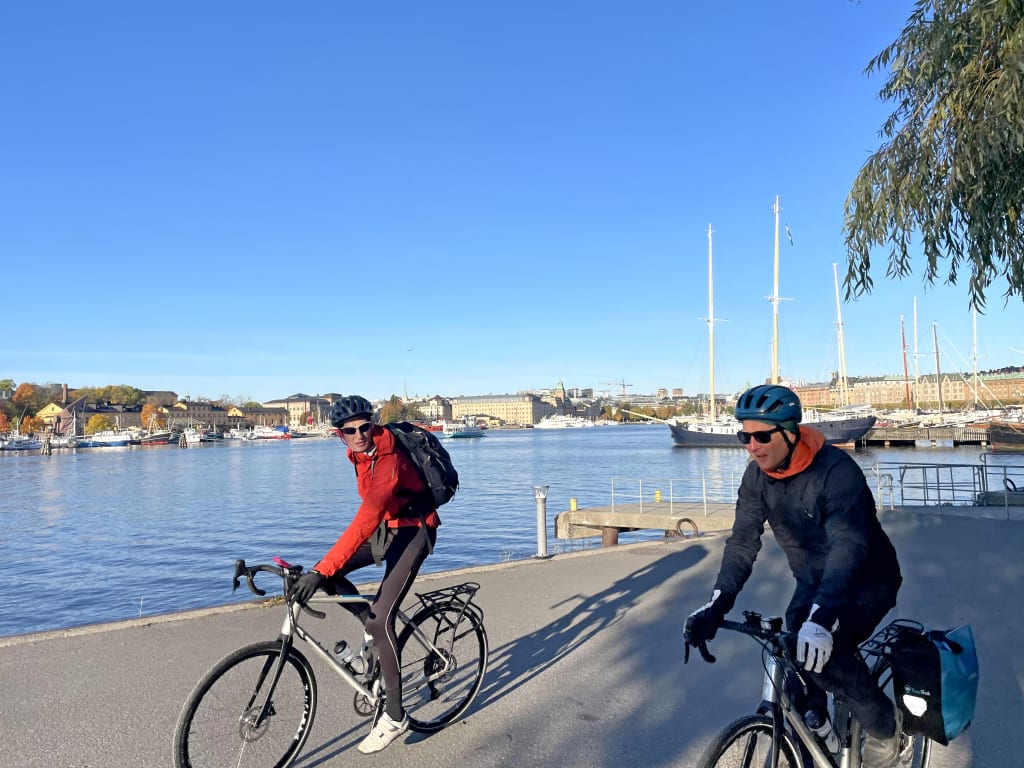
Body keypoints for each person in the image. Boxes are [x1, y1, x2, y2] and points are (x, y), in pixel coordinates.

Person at [683, 384, 905, 768]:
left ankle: (885, 730)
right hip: (812, 581)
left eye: (761, 435)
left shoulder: (836, 472)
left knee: (828, 656)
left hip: (867, 580)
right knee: (794, 657)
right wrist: (717, 605)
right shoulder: (756, 479)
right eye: (744, 436)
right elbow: (742, 543)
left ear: (789, 432)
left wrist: (823, 616)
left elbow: (849, 546)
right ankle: (818, 736)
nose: (751, 445)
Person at [286, 394, 440, 754]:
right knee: (331, 577)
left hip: (415, 530)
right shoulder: (356, 454)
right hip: (388, 527)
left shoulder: (388, 460)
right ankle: (372, 627)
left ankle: (396, 716)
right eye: (349, 430)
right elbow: (370, 517)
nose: (359, 435)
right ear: (339, 433)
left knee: (377, 618)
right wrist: (321, 571)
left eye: (364, 427)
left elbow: (366, 517)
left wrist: (321, 566)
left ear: (373, 423)